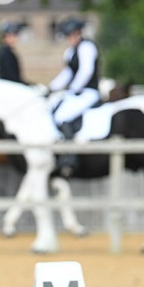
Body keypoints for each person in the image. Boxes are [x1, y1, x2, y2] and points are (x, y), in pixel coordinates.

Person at [48, 18, 102, 176]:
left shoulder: (87, 47)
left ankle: (69, 158)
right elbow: (67, 73)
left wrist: (73, 89)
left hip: (89, 92)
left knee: (62, 116)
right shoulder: (70, 52)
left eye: (71, 35)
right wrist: (51, 87)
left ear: (78, 33)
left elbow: (86, 71)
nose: (69, 38)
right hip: (76, 93)